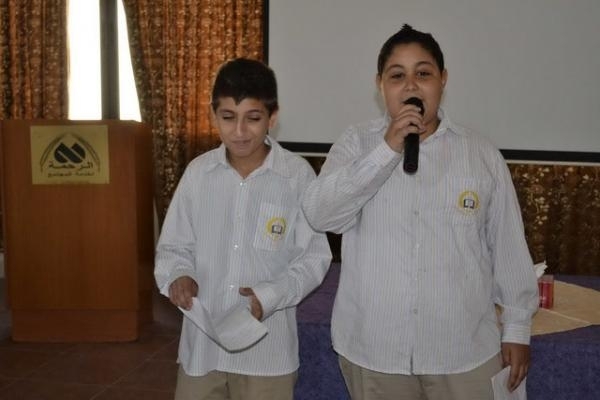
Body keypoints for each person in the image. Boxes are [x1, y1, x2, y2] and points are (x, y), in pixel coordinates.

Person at [301, 24, 538, 400]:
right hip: (376, 352)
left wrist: (517, 329)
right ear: (380, 85)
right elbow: (321, 215)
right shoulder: (356, 144)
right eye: (397, 76)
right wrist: (386, 150)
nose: (411, 86)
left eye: (423, 73)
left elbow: (507, 247)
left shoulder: (480, 154)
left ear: (443, 79)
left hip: (464, 352)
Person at [155, 58, 332, 400]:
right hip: (203, 351)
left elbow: (314, 259)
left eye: (252, 118)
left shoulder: (296, 177)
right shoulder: (198, 175)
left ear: (272, 118)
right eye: (228, 117)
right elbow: (173, 246)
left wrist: (269, 297)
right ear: (213, 115)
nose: (239, 131)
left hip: (268, 354)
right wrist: (179, 274)